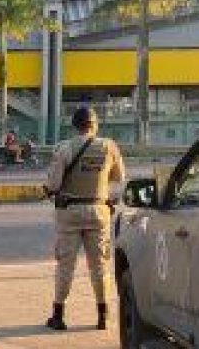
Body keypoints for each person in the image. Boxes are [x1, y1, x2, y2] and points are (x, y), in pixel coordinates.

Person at [43, 106, 126, 331]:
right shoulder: (109, 147)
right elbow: (119, 179)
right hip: (98, 211)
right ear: (94, 124)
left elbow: (53, 185)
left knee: (65, 267)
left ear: (75, 125)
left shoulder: (65, 149)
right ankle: (102, 315)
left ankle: (58, 315)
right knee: (99, 266)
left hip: (69, 213)